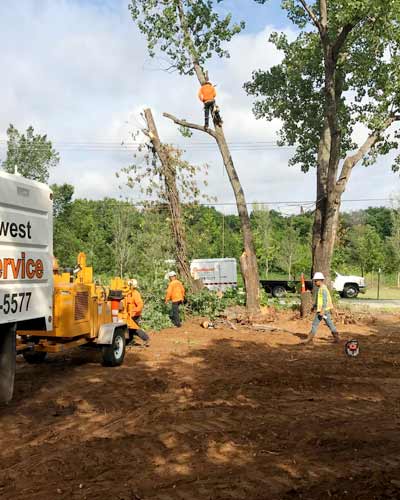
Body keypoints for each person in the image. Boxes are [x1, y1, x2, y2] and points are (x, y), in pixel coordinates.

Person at [303, 272, 339, 344]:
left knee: (315, 324)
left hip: (323, 311)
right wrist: (314, 306)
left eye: (316, 281)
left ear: (320, 280)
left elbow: (325, 301)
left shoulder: (323, 289)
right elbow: (319, 300)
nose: (315, 282)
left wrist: (322, 311)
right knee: (330, 323)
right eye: (314, 281)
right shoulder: (321, 288)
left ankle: (309, 339)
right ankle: (337, 338)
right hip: (324, 310)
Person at [126, 279, 150, 347]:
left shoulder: (135, 294)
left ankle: (146, 338)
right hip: (129, 314)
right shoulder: (128, 293)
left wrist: (134, 311)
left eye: (128, 285)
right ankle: (129, 342)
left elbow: (140, 305)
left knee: (134, 328)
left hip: (135, 315)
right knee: (130, 329)